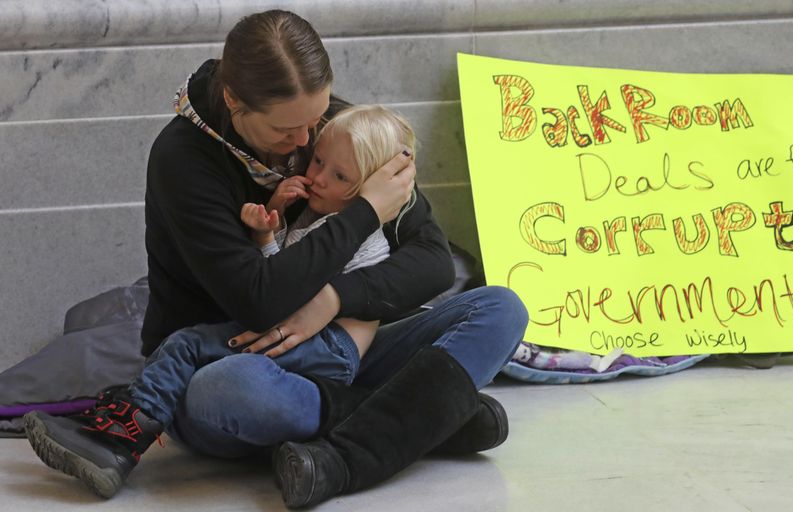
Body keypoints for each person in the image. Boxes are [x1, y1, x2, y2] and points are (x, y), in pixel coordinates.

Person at [23, 9, 528, 509]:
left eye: (317, 118)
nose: (307, 144)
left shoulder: (334, 130)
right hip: (234, 361)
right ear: (234, 102)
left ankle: (383, 430)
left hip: (345, 347)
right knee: (230, 389)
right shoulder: (184, 160)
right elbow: (261, 301)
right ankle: (424, 415)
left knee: (501, 309)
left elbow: (434, 262)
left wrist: (334, 299)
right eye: (287, 131)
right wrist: (367, 208)